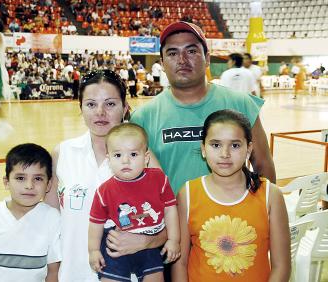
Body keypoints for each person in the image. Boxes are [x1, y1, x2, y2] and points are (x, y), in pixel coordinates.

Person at [44, 70, 168, 281]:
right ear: (80, 108)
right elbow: (49, 224)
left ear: (125, 107)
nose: (100, 112)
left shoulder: (144, 159)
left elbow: (168, 225)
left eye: (110, 104)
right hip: (74, 274)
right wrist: (52, 274)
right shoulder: (62, 154)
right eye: (91, 104)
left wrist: (147, 242)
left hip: (130, 274)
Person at [130, 21, 276, 197]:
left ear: (207, 58)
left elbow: (263, 165)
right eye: (172, 53)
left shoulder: (241, 103)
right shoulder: (142, 117)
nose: (182, 60)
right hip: (173, 222)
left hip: (231, 221)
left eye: (191, 51)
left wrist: (263, 210)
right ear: (162, 63)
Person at [172, 110, 290, 282]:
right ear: (203, 149)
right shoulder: (188, 194)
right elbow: (179, 263)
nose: (225, 154)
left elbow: (282, 266)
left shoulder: (271, 195)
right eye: (216, 145)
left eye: (235, 145)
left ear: (248, 149)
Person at [88, 123, 180, 281]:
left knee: (156, 277)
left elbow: (170, 210)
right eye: (118, 155)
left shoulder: (159, 179)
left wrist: (173, 240)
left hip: (150, 245)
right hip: (116, 246)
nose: (125, 161)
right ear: (109, 159)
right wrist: (93, 251)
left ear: (146, 157)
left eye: (133, 154)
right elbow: (95, 223)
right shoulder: (104, 190)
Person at [0, 143, 62, 282]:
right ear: (6, 182)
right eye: (20, 178)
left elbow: (53, 272)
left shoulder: (53, 219)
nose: (29, 185)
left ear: (48, 185)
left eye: (38, 178)